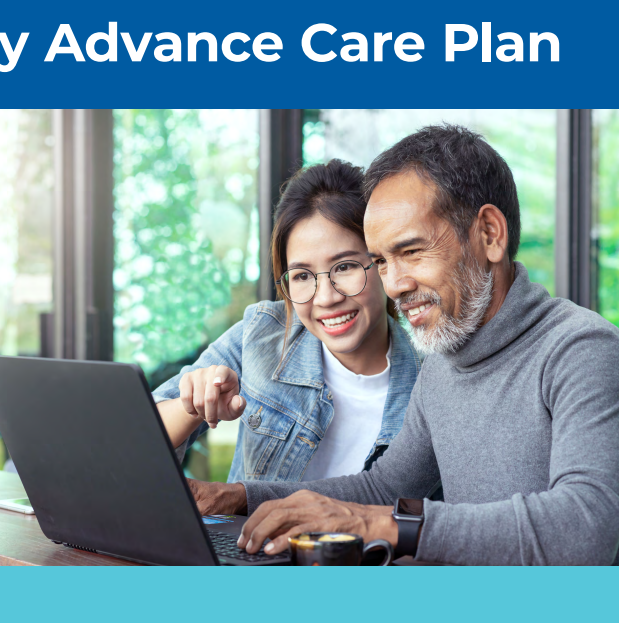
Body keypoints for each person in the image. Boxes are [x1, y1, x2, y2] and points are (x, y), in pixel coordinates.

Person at [188, 125, 619, 566]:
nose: (394, 285)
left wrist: (378, 525)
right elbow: (381, 489)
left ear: (489, 234)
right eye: (380, 261)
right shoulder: (444, 365)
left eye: (411, 252)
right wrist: (236, 496)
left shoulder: (581, 349)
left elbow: (587, 528)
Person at [153, 159, 421, 486]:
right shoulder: (263, 333)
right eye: (302, 275)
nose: (325, 298)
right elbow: (137, 439)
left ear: (381, 262)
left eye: (345, 267)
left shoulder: (429, 382)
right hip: (249, 539)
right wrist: (192, 405)